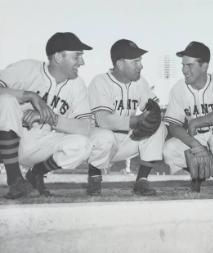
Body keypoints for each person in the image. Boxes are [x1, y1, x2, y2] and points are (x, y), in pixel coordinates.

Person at [0, 32, 115, 198]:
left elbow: (85, 127)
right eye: (77, 57)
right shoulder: (27, 68)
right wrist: (29, 95)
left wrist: (48, 117)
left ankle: (36, 173)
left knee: (83, 144)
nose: (82, 62)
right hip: (10, 140)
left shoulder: (77, 85)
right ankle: (14, 179)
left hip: (42, 143)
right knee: (6, 101)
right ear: (59, 57)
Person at [88, 39, 167, 196]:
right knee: (104, 135)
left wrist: (153, 113)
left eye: (140, 61)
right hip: (98, 146)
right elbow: (103, 120)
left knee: (159, 127)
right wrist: (136, 121)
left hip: (126, 143)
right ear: (120, 64)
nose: (141, 65)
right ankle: (94, 178)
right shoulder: (100, 82)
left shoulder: (140, 82)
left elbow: (153, 107)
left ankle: (141, 181)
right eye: (135, 61)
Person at [163, 41, 213, 194]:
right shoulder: (178, 88)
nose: (184, 70)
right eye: (183, 65)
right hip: (196, 138)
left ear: (204, 66)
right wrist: (195, 145)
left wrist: (197, 121)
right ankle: (198, 173)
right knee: (169, 150)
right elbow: (173, 125)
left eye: (189, 65)